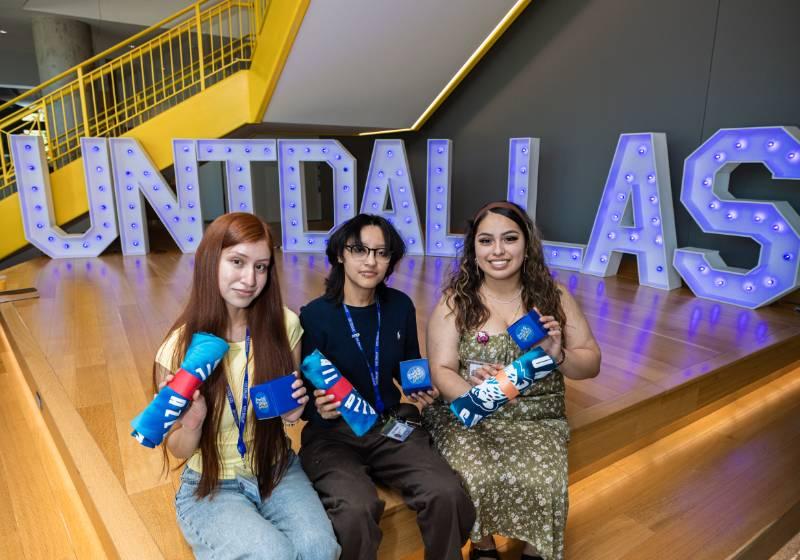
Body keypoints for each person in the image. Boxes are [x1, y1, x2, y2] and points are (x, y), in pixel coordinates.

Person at [153, 212, 340, 560]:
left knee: (320, 549)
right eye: (237, 262)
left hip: (277, 468)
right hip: (211, 484)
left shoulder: (285, 325)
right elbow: (177, 448)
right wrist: (192, 424)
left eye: (261, 266)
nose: (249, 279)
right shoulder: (178, 349)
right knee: (272, 555)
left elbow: (289, 415)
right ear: (211, 262)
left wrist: (293, 413)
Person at [423, 201, 601, 560]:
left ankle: (536, 549)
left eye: (509, 238)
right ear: (473, 249)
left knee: (545, 479)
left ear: (527, 244)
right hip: (472, 416)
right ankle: (483, 544)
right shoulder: (455, 302)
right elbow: (440, 370)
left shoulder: (555, 297)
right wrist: (473, 394)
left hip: (537, 417)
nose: (498, 251)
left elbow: (592, 363)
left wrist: (558, 356)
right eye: (486, 241)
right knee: (473, 472)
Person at [298, 213, 476, 560]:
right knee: (356, 510)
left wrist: (423, 386)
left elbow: (407, 364)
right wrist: (315, 406)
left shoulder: (399, 306)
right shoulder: (314, 315)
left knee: (446, 492)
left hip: (390, 424)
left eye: (381, 253)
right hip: (333, 435)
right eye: (360, 250)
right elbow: (302, 395)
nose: (371, 261)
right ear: (340, 254)